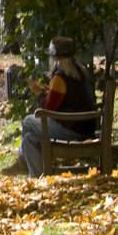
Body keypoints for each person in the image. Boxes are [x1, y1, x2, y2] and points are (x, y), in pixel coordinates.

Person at [16, 36, 97, 177]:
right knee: (29, 139)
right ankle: (35, 175)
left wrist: (38, 94)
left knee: (28, 121)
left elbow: (47, 110)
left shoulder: (59, 78)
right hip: (84, 126)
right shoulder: (80, 72)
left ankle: (22, 163)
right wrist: (48, 91)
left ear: (55, 59)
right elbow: (68, 98)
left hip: (73, 130)